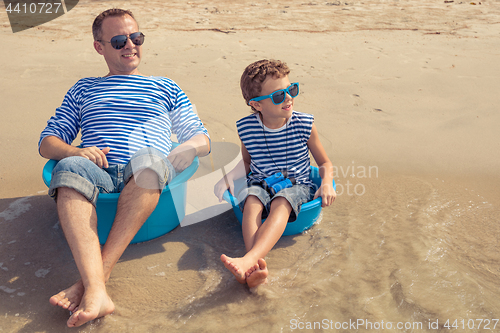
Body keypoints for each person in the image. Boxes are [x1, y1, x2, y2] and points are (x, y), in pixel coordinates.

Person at [38, 9, 210, 328]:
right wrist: (77, 150)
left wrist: (188, 147)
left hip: (146, 168)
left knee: (149, 160)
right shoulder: (84, 88)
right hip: (97, 170)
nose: (130, 45)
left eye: (136, 37)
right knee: (68, 166)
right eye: (119, 40)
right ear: (99, 47)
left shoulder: (165, 86)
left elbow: (200, 136)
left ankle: (93, 285)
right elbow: (48, 143)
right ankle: (98, 291)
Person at [214, 59, 335, 288]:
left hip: (297, 185)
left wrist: (327, 182)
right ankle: (253, 267)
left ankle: (249, 260)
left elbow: (325, 163)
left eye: (291, 90)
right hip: (260, 181)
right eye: (278, 96)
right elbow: (247, 163)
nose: (288, 98)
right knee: (251, 201)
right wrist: (228, 178)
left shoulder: (304, 124)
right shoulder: (247, 128)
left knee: (282, 201)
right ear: (257, 105)